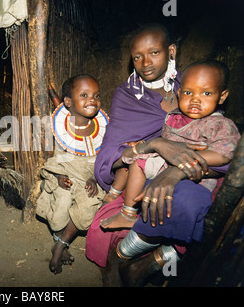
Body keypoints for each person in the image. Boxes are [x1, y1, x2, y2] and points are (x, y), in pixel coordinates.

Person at [85, 23, 235, 286]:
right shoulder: (127, 94)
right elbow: (112, 151)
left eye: (154, 52)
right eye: (137, 57)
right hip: (143, 174)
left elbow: (220, 150)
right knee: (103, 227)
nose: (145, 62)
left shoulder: (193, 81)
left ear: (171, 51)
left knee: (194, 212)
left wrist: (179, 170)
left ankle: (146, 261)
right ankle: (125, 253)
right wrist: (151, 145)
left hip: (195, 175)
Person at [100, 59, 240, 230]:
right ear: (179, 93)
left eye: (206, 94)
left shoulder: (221, 125)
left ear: (222, 96)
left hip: (196, 176)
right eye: (189, 93)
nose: (195, 100)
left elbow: (224, 154)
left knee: (177, 200)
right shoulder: (173, 117)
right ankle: (127, 213)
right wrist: (145, 145)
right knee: (137, 160)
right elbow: (165, 141)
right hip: (165, 164)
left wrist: (189, 159)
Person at [36, 74, 108, 273]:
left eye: (96, 95)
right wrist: (59, 177)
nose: (92, 99)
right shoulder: (60, 128)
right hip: (65, 176)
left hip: (89, 179)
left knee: (87, 208)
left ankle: (60, 245)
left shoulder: (104, 129)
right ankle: (60, 238)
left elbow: (105, 161)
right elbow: (57, 159)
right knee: (59, 207)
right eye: (84, 95)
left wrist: (95, 178)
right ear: (68, 102)